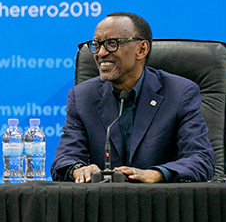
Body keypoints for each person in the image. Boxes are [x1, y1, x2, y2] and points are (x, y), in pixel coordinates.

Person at [51, 12, 214, 183]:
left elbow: (201, 160)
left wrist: (156, 174)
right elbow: (64, 160)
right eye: (96, 45)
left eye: (111, 43)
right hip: (102, 204)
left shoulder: (179, 93)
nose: (101, 53)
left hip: (160, 203)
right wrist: (78, 170)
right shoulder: (82, 96)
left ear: (141, 49)